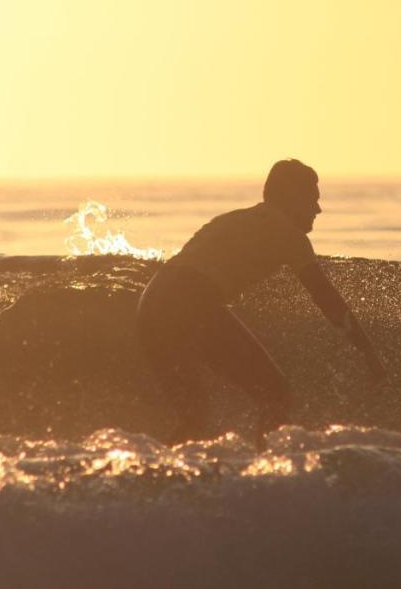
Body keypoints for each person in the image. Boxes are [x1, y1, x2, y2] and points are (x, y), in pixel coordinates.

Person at [136, 159, 387, 445]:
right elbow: (326, 297)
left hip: (151, 303)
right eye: (312, 200)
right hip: (192, 300)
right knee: (275, 392)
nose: (318, 209)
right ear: (291, 198)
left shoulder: (232, 219)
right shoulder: (290, 236)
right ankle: (265, 471)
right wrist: (368, 350)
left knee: (195, 417)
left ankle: (155, 478)